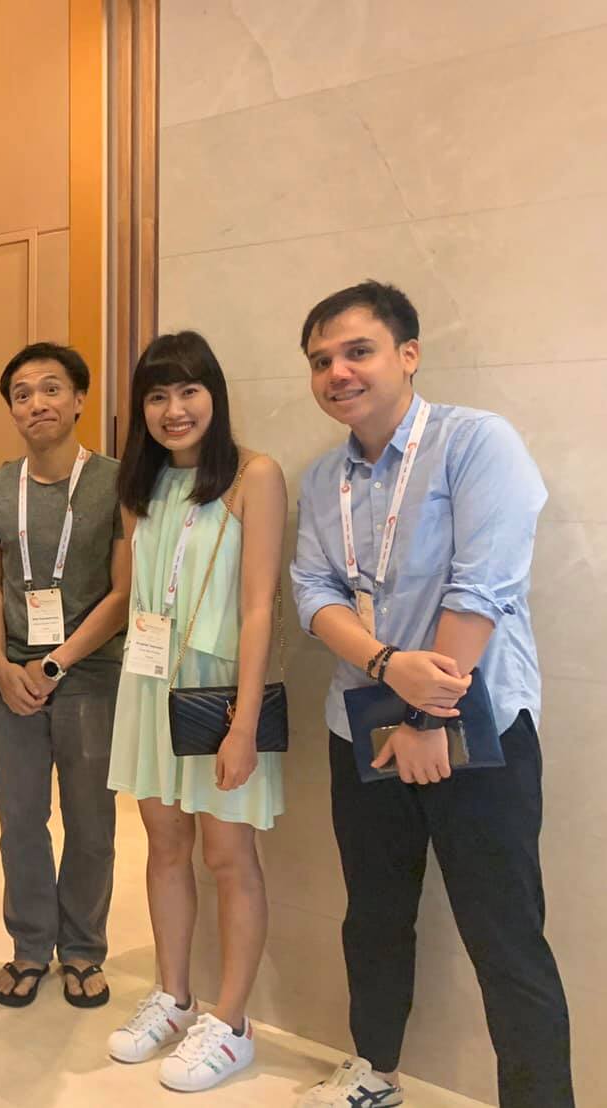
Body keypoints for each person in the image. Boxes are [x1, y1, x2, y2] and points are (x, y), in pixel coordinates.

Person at [290, 281, 573, 1108]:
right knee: (374, 916)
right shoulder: (324, 478)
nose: (338, 373)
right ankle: (374, 1071)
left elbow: (482, 588)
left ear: (408, 355)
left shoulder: (476, 442)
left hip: (478, 729)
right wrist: (387, 667)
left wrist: (424, 715)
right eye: (321, 361)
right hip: (363, 726)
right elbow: (313, 591)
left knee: (505, 936)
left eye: (357, 351)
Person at [102, 332, 287, 1093]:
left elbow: (258, 605)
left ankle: (232, 1022)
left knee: (228, 856)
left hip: (219, 691)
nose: (173, 410)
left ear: (215, 394)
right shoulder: (141, 486)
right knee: (165, 846)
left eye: (188, 391)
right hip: (150, 682)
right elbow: (138, 595)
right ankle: (173, 996)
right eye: (157, 395)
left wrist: (243, 723)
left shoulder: (253, 476)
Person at [0, 342, 128, 1012]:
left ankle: (84, 948)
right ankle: (32, 944)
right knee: (20, 820)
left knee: (91, 821)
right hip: (11, 679)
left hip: (89, 677)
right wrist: (0, 667)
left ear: (80, 398)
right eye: (23, 393)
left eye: (52, 388)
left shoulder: (116, 481)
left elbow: (124, 592)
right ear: (12, 409)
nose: (38, 403)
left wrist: (56, 662)